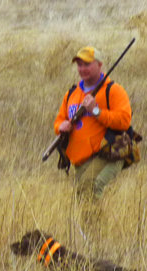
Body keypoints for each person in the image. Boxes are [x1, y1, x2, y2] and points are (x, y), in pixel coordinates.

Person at [53, 46, 135, 203]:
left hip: (107, 154)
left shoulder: (113, 90)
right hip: (80, 160)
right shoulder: (72, 93)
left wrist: (96, 111)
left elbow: (124, 121)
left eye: (87, 64)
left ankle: (95, 228)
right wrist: (60, 126)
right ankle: (92, 228)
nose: (82, 69)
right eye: (79, 65)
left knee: (89, 188)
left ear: (99, 65)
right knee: (84, 197)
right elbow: (59, 120)